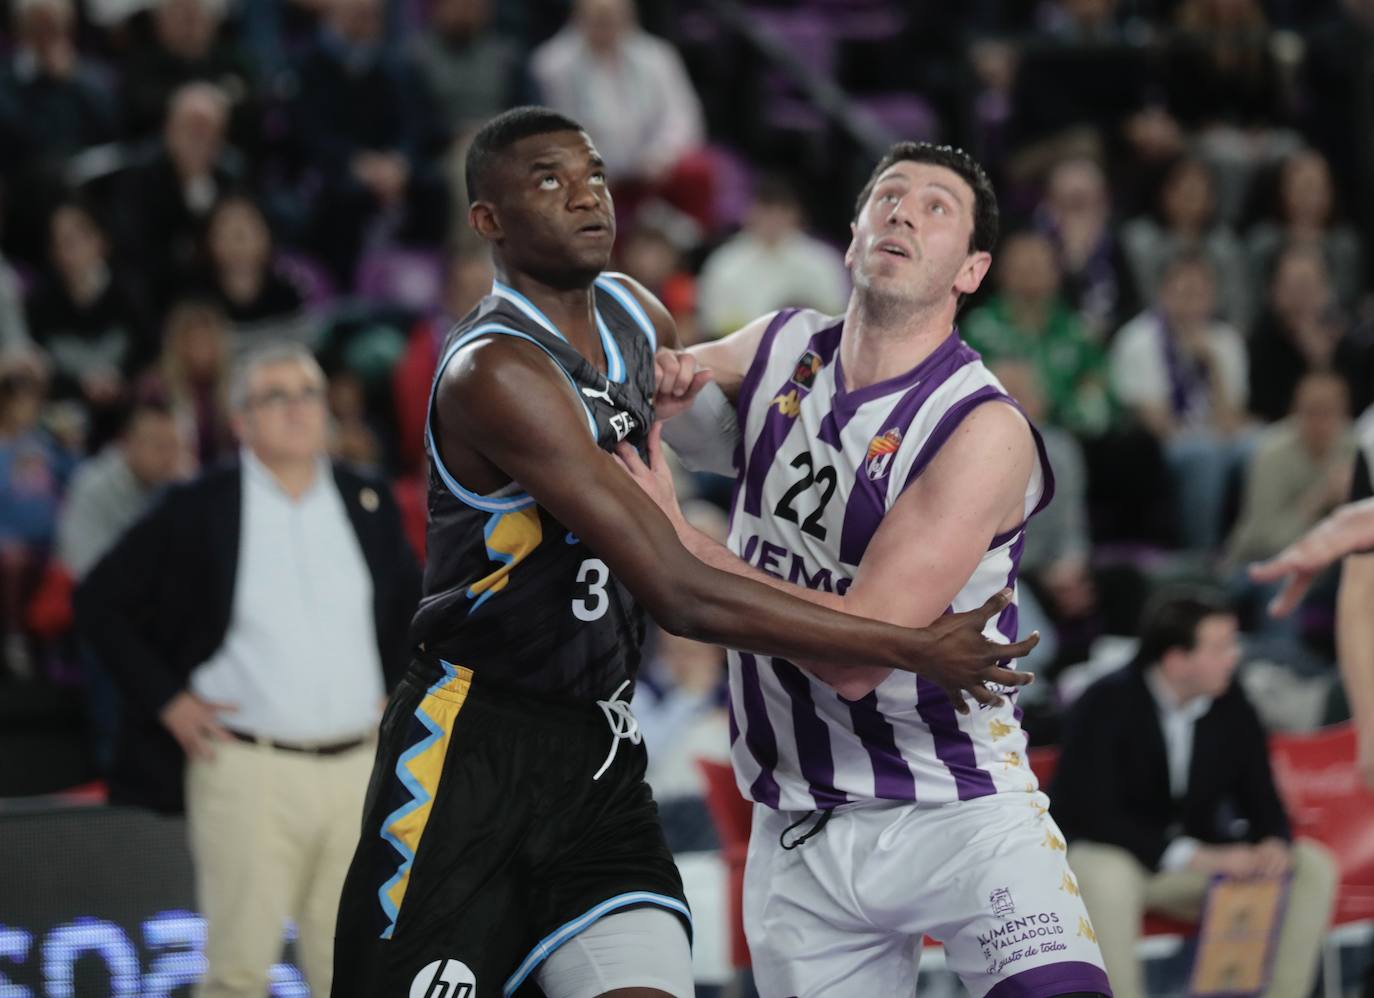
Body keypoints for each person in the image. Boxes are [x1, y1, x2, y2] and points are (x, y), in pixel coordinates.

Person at [330, 108, 1038, 998]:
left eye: (592, 173)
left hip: (602, 749)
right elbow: (675, 587)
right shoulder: (494, 370)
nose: (586, 194)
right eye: (549, 180)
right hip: (474, 741)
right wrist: (908, 642)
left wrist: (699, 391)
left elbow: (726, 435)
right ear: (488, 221)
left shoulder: (636, 314)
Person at [628, 140, 1110, 996]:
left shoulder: (980, 428)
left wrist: (681, 538)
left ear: (971, 270)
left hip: (957, 805)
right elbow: (678, 385)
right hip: (800, 823)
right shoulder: (782, 344)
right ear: (851, 238)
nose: (903, 212)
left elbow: (856, 653)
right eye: (889, 196)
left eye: (936, 208)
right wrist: (666, 379)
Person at [74, 341, 422, 998]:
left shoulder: (366, 500)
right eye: (276, 396)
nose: (297, 409)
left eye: (308, 394)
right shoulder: (199, 508)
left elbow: (414, 610)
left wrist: (401, 690)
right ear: (242, 421)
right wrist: (168, 700)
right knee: (238, 974)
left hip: (358, 770)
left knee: (356, 976)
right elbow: (98, 602)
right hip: (248, 771)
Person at [1051, 592, 1338, 998]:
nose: (1234, 657)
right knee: (1102, 871)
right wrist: (1192, 855)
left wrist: (1273, 840)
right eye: (1220, 647)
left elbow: (1261, 796)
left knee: (1311, 865)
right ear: (1176, 659)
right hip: (1124, 858)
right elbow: (1085, 812)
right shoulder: (1105, 702)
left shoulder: (1231, 703)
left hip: (1196, 869)